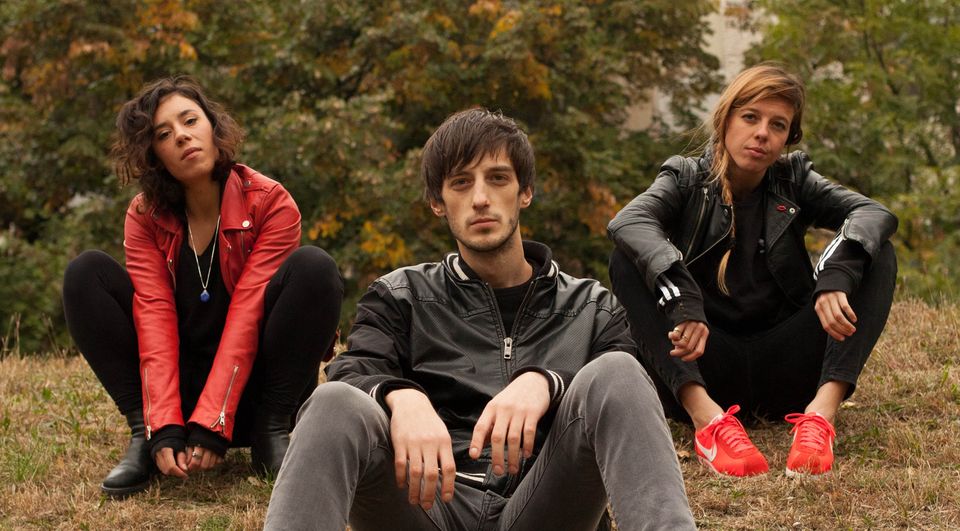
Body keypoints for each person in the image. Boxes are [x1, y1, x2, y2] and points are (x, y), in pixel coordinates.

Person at [264, 108, 695, 530]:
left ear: (525, 192)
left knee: (618, 370)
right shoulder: (399, 296)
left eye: (498, 178)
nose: (481, 198)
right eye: (461, 182)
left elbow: (631, 391)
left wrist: (546, 382)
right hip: (426, 507)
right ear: (438, 202)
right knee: (333, 401)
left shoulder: (592, 307)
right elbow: (352, 371)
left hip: (546, 508)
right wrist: (402, 397)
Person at [608, 63, 898, 478]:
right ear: (725, 120)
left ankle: (820, 417)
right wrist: (682, 298)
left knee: (875, 249)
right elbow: (629, 222)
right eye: (750, 117)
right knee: (626, 258)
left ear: (788, 138)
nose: (762, 133)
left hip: (789, 368)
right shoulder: (685, 179)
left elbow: (872, 213)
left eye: (777, 125)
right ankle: (707, 422)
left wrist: (835, 276)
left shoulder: (793, 179)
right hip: (704, 362)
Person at [61, 76, 343, 497]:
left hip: (260, 390)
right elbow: (153, 316)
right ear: (153, 155)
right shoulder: (145, 216)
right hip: (182, 399)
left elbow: (248, 312)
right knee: (86, 273)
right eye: (163, 134)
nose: (181, 136)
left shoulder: (270, 202)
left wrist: (215, 421)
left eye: (190, 120)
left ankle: (272, 432)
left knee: (315, 267)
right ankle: (144, 435)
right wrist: (163, 426)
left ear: (213, 127)